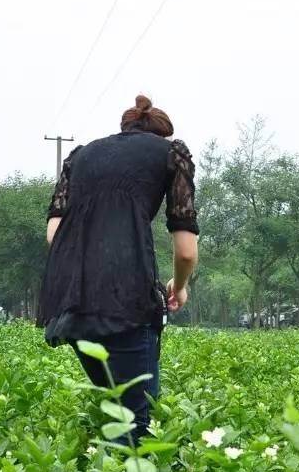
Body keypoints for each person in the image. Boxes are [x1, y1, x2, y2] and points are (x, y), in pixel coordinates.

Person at [38, 95, 199, 443]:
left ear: (124, 130)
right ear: (163, 135)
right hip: (128, 302)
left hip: (73, 305)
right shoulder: (171, 154)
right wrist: (180, 286)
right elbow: (186, 252)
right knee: (136, 425)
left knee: (117, 409)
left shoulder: (81, 156)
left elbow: (55, 233)